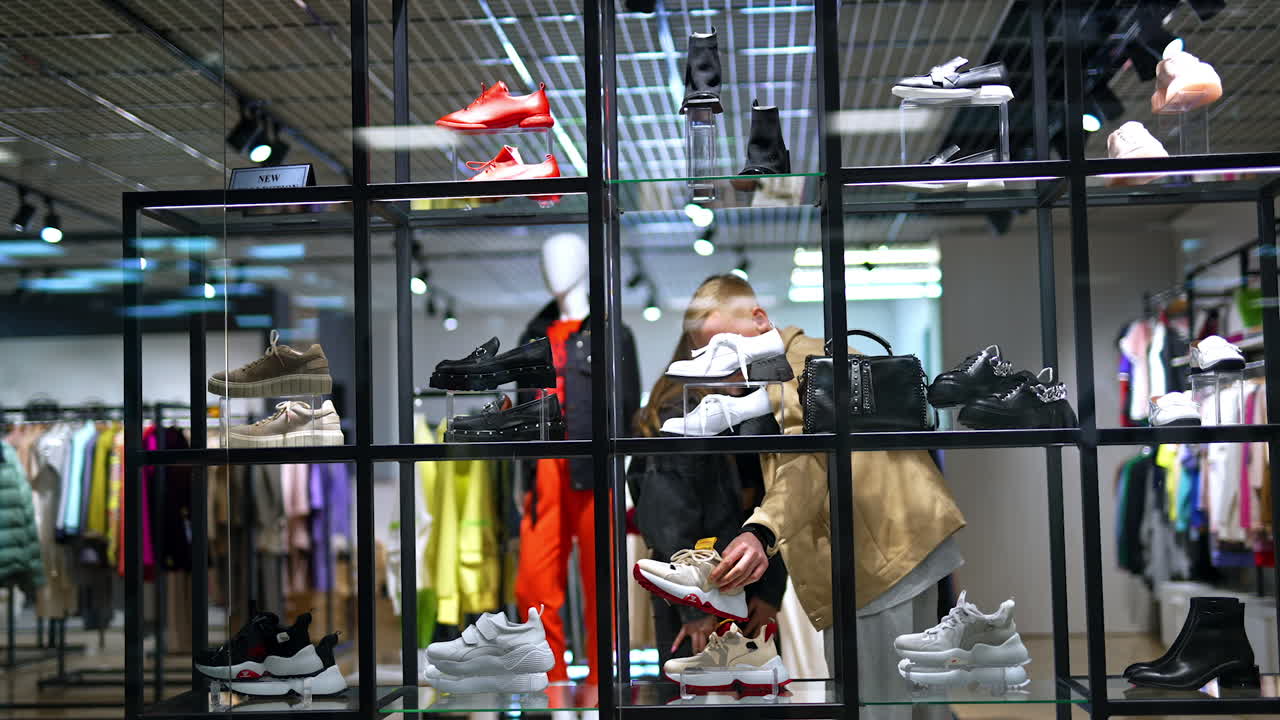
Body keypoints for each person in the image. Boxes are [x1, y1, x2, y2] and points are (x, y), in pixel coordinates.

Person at [685, 275, 966, 719]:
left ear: (759, 320)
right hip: (904, 541)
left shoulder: (796, 368)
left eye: (725, 348)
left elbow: (809, 462)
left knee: (876, 705)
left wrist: (761, 530)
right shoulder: (811, 357)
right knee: (919, 701)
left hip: (874, 560)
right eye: (711, 358)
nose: (724, 370)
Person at [627, 291, 787, 667]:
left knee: (750, 693)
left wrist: (770, 588)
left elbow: (777, 499)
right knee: (701, 697)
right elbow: (667, 516)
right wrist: (692, 608)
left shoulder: (746, 406)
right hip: (702, 590)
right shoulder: (681, 408)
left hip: (742, 577)